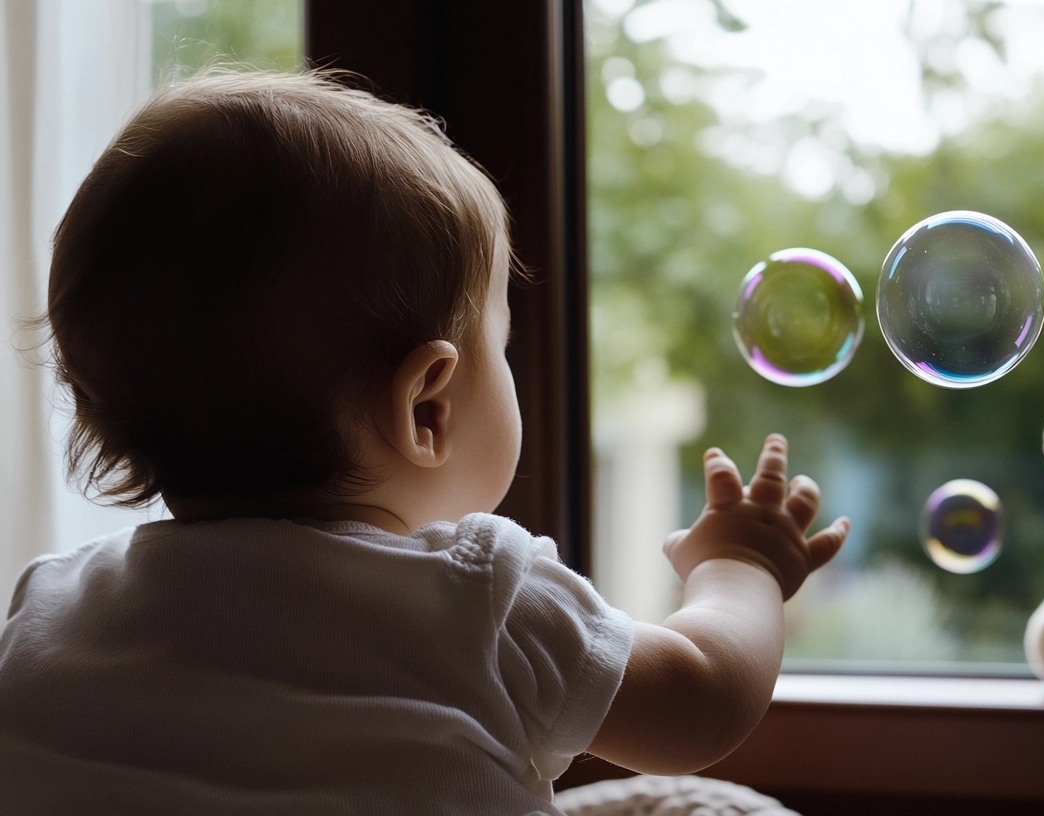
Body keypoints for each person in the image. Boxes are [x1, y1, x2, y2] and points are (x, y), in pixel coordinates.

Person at [0, 70, 849, 815]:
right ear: (427, 410)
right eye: (502, 348)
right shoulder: (475, 594)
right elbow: (699, 700)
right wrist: (741, 566)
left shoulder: (48, 612)